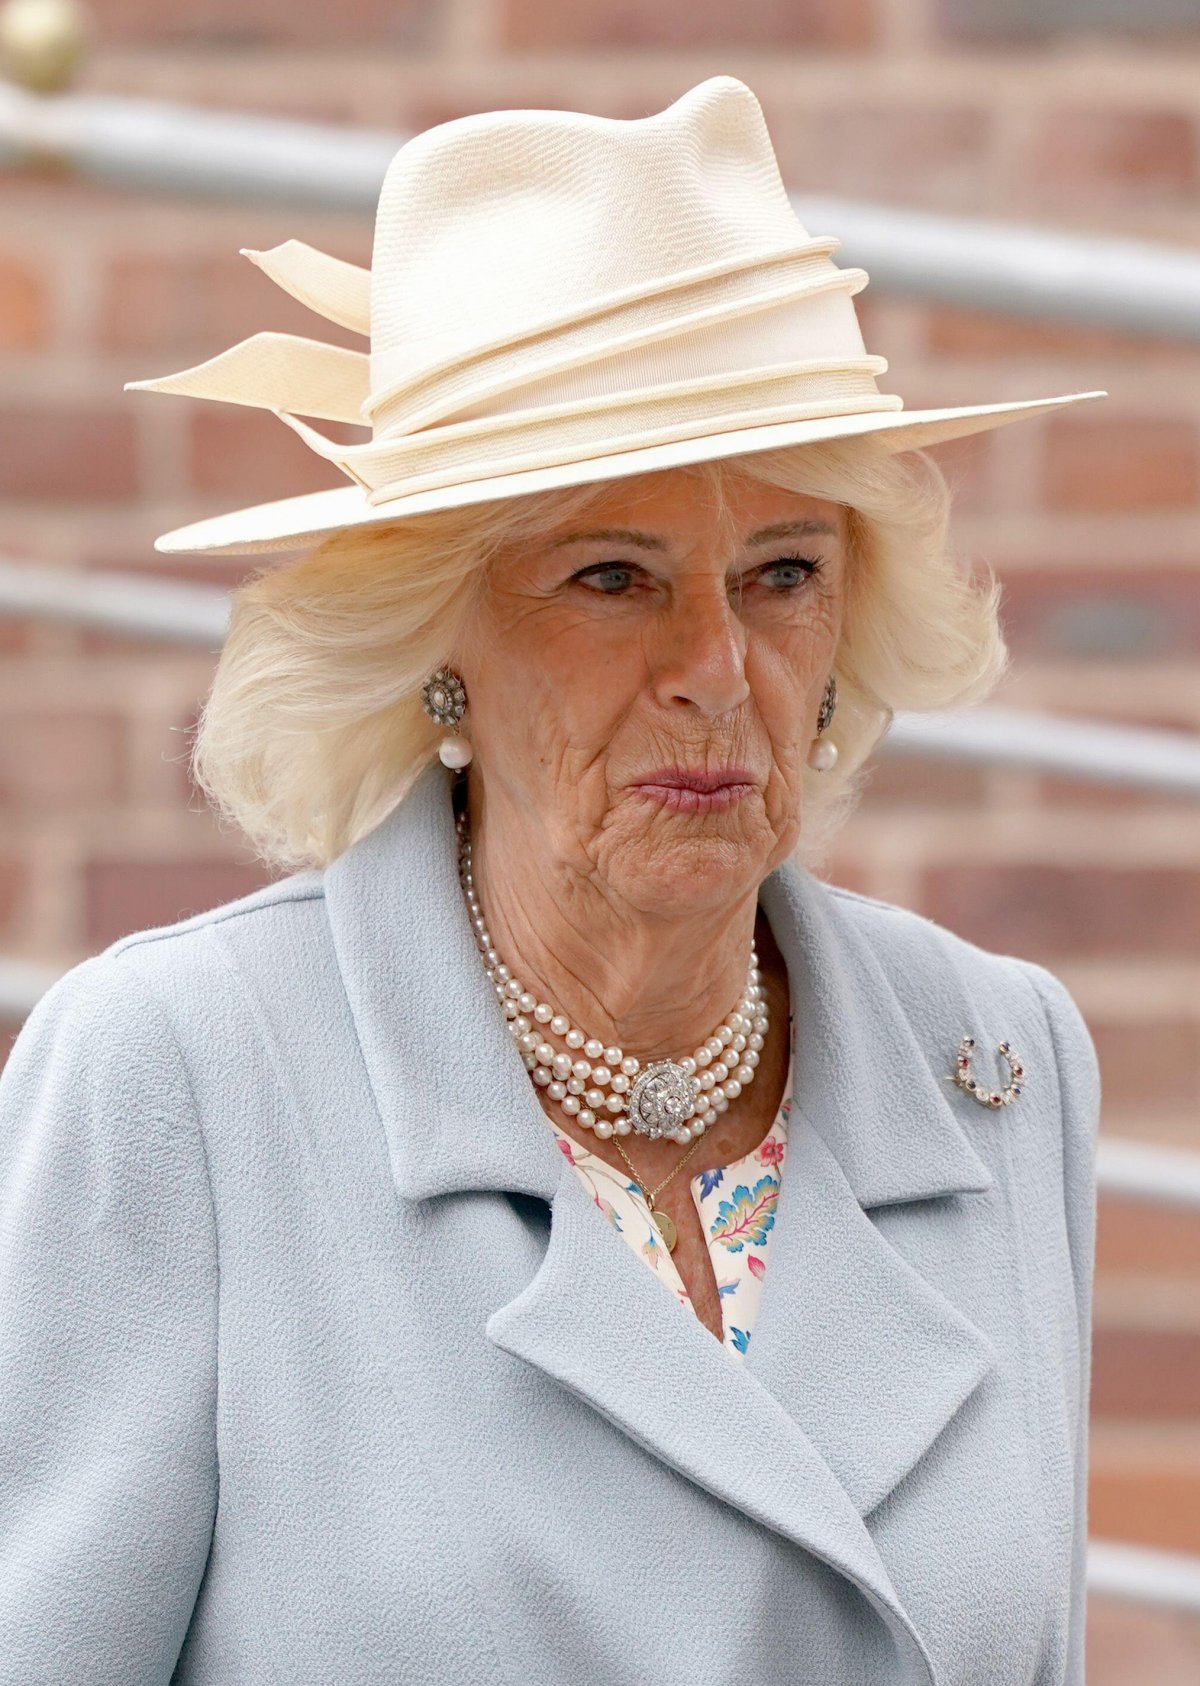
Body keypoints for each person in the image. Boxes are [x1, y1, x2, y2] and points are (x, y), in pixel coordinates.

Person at [0, 76, 1104, 1684]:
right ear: (438, 638)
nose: (718, 668)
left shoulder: (1001, 1061)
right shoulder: (172, 1077)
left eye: (782, 572)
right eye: (613, 576)